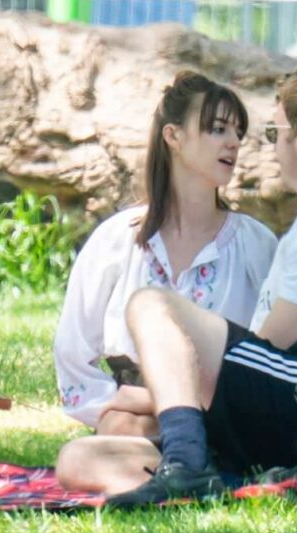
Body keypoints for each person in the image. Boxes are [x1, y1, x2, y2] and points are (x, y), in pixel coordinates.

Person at [57, 62, 297, 501]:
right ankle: (205, 477)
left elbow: (263, 357)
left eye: (272, 135)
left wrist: (146, 400)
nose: (246, 146)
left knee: (150, 307)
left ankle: (187, 462)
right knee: (77, 460)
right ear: (172, 137)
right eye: (218, 130)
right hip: (285, 405)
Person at [53, 71, 277, 442]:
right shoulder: (116, 240)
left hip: (225, 415)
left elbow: (275, 355)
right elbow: (73, 350)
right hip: (131, 421)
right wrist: (113, 405)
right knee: (87, 454)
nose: (234, 143)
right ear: (173, 136)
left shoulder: (255, 244)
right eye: (218, 129)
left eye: (239, 132)